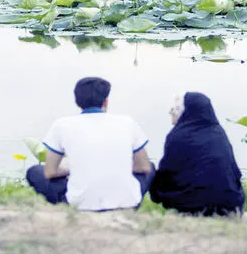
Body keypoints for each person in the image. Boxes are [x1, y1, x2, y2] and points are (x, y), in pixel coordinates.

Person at [26, 77, 155, 211]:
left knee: (35, 171)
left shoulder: (61, 124)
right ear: (106, 101)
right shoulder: (128, 122)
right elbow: (143, 167)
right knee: (150, 166)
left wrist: (73, 168)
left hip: (80, 206)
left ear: (77, 102)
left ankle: (65, 206)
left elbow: (50, 172)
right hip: (128, 205)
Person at [150, 92, 245, 216]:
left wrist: (155, 190)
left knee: (149, 168)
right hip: (229, 206)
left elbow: (166, 174)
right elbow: (235, 173)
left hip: (190, 206)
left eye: (177, 109)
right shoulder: (219, 134)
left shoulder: (177, 136)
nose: (171, 111)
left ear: (187, 112)